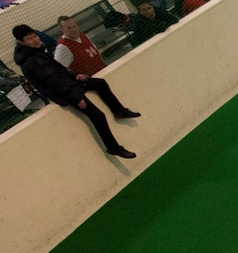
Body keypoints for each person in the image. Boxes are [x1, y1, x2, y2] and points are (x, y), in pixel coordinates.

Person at [12, 23, 141, 160]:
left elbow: (58, 70)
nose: (36, 40)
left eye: (35, 36)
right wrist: (76, 99)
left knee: (100, 83)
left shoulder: (36, 52)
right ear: (21, 42)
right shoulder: (32, 60)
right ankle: (113, 147)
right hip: (65, 94)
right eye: (30, 39)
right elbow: (54, 82)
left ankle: (119, 111)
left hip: (69, 84)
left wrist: (75, 75)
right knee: (98, 116)